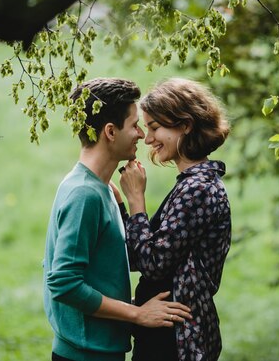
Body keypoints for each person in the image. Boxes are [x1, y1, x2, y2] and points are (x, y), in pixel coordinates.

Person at [43, 77, 192, 361]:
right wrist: (137, 314)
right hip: (86, 355)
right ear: (110, 132)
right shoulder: (84, 195)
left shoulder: (104, 188)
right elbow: (64, 283)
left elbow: (97, 274)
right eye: (135, 125)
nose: (141, 135)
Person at [118, 77, 232, 361]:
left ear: (185, 124)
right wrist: (121, 207)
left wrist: (136, 201)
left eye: (155, 127)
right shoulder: (191, 184)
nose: (148, 138)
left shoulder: (197, 189)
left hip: (177, 340)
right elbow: (138, 255)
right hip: (163, 330)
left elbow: (153, 263)